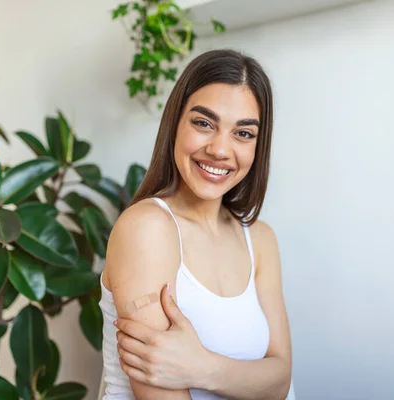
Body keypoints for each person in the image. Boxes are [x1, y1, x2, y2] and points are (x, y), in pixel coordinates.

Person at [99, 49, 294, 399]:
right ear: (175, 123)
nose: (220, 150)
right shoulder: (147, 228)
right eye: (204, 123)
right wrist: (247, 378)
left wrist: (201, 366)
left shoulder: (260, 239)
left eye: (244, 133)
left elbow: (280, 380)